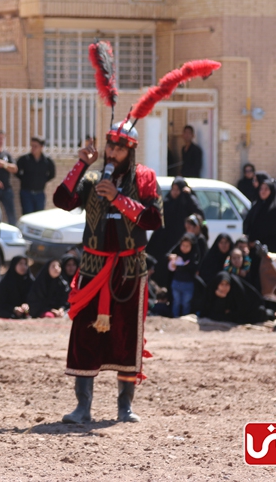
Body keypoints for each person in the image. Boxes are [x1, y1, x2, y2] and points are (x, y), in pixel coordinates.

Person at [53, 121, 163, 425]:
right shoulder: (90, 178)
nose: (112, 153)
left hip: (129, 270)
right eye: (109, 147)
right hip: (92, 268)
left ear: (131, 150)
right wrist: (80, 163)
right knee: (84, 336)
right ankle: (82, 407)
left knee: (127, 337)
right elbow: (62, 200)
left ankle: (124, 407)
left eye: (119, 148)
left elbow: (153, 219)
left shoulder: (145, 178)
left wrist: (118, 198)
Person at [146, 177, 203, 287]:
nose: (175, 192)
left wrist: (189, 195)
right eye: (173, 189)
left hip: (181, 242)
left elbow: (199, 213)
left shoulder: (187, 202)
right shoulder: (167, 202)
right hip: (165, 241)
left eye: (178, 189)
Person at [243, 178, 276, 255]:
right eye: (261, 189)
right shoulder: (258, 206)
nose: (263, 192)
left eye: (266, 189)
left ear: (272, 191)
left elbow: (270, 230)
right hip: (256, 249)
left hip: (272, 250)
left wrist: (256, 240)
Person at [16, 137, 56, 215]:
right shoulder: (25, 159)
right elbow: (16, 171)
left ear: (41, 147)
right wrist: (24, 179)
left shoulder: (47, 161)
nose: (33, 148)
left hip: (40, 193)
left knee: (39, 216)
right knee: (27, 215)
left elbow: (52, 174)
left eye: (35, 146)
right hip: (26, 193)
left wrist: (43, 180)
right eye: (32, 146)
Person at [168, 233, 200, 318]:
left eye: (187, 246)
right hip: (176, 282)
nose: (184, 248)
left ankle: (185, 318)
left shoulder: (194, 257)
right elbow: (168, 254)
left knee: (186, 303)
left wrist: (178, 267)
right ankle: (175, 317)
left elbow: (191, 267)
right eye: (183, 245)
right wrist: (171, 257)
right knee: (176, 302)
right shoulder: (177, 254)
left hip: (188, 284)